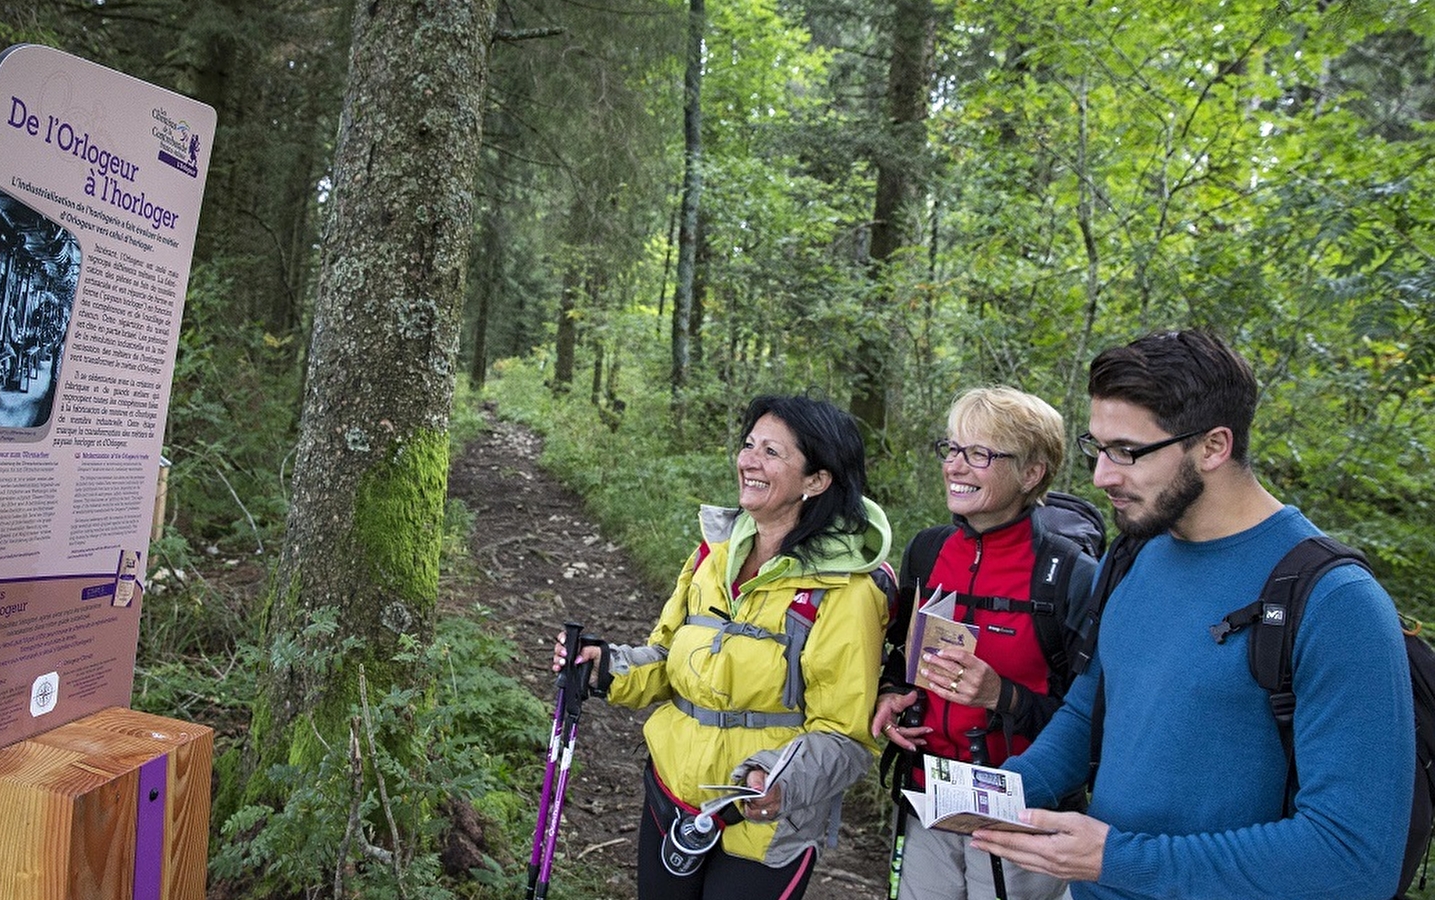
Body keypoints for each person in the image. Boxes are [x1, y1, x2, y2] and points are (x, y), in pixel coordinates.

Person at [971, 329, 1413, 899]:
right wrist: (989, 796)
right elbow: (1091, 712)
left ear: (1213, 446)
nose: (1102, 474)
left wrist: (1116, 859)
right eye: (1098, 446)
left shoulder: (1335, 603)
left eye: (1128, 451)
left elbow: (1353, 860)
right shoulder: (1132, 555)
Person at [552, 393, 893, 899]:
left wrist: (776, 781)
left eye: (773, 453)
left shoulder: (846, 592)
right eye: (749, 444)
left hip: (763, 823)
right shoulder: (714, 554)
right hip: (670, 794)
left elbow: (846, 736)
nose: (749, 460)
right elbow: (669, 660)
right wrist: (607, 668)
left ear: (817, 481)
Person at [871, 386, 1095, 900]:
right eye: (951, 449)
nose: (956, 466)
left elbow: (1093, 719)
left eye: (980, 454)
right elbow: (902, 655)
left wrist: (1002, 695)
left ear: (1032, 473)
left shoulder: (1067, 575)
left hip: (1024, 812)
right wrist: (891, 693)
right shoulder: (928, 552)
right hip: (930, 796)